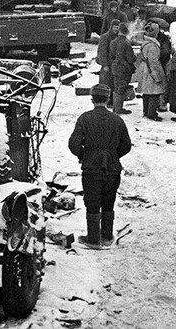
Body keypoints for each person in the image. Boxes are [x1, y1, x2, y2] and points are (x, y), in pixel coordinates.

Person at [68, 83, 131, 248]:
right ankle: (107, 236)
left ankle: (93, 238)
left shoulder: (84, 118)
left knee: (92, 200)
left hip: (91, 167)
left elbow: (74, 144)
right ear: (108, 99)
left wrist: (84, 155)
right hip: (112, 168)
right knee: (109, 200)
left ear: (92, 99)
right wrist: (113, 156)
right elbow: (126, 145)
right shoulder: (117, 120)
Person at [138, 23, 166, 121]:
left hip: (145, 69)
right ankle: (152, 113)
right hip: (151, 71)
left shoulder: (145, 43)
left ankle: (146, 111)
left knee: (146, 92)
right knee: (154, 92)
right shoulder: (152, 46)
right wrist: (157, 75)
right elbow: (153, 62)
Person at [109, 23, 136, 115]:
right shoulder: (126, 43)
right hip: (124, 68)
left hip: (115, 67)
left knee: (116, 87)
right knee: (122, 88)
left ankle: (115, 107)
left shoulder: (113, 42)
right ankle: (118, 109)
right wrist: (134, 57)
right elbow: (131, 58)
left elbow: (111, 56)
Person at [97, 19, 120, 104]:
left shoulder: (118, 37)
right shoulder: (105, 37)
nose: (116, 29)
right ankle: (103, 100)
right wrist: (105, 64)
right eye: (115, 27)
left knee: (114, 84)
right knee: (105, 83)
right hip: (108, 65)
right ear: (111, 27)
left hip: (115, 65)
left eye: (117, 27)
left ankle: (112, 101)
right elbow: (101, 52)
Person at [156, 26, 172, 112]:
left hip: (161, 63)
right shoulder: (164, 38)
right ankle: (162, 105)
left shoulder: (162, 38)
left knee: (162, 84)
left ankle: (162, 105)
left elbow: (165, 52)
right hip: (162, 62)